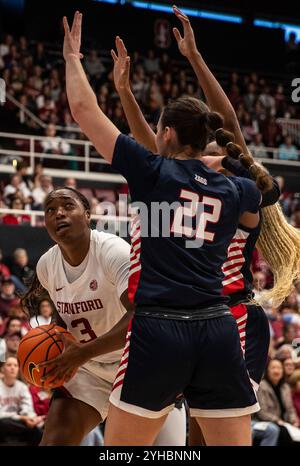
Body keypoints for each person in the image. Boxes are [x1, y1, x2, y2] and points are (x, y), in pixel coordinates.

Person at [63, 11, 263, 446]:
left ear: (167, 133)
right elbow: (233, 141)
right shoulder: (239, 189)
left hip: (160, 327)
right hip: (218, 326)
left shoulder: (155, 175)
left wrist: (73, 57)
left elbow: (83, 110)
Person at [22, 187, 186, 446]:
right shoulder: (46, 265)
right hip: (90, 371)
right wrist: (52, 360)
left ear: (88, 214)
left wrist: (83, 352)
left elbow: (141, 315)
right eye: (50, 210)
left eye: (67, 206)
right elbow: (65, 322)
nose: (58, 214)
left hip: (139, 365)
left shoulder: (114, 251)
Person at [254, 359, 299, 445]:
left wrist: (294, 421)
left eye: (279, 368)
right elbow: (262, 412)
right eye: (273, 368)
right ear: (267, 370)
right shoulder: (262, 386)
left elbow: (290, 409)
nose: (276, 371)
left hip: (284, 422)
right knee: (282, 431)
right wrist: (278, 421)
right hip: (264, 422)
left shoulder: (285, 387)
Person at [0, 357, 43, 445]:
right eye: (9, 365)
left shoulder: (22, 387)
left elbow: (27, 408)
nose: (12, 368)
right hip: (5, 422)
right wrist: (21, 418)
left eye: (15, 365)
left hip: (18, 424)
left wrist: (32, 418)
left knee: (38, 430)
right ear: (2, 369)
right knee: (3, 423)